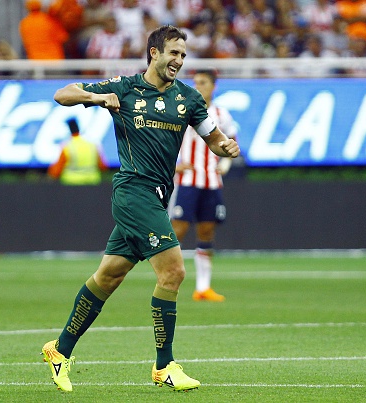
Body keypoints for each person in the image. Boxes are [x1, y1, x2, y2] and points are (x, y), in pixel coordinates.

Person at [41, 25, 240, 393]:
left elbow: (213, 137)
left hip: (159, 196)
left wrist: (224, 146)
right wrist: (97, 99)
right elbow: (62, 94)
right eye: (173, 53)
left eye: (183, 55)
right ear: (154, 53)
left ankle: (59, 350)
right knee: (174, 272)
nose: (179, 60)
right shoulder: (124, 87)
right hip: (134, 192)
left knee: (109, 276)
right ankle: (164, 365)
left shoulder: (190, 99)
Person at [170, 69, 238, 302]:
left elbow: (232, 139)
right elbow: (166, 139)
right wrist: (173, 165)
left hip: (211, 180)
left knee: (207, 232)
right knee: (176, 230)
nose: (198, 86)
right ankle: (168, 279)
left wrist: (227, 163)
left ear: (213, 86)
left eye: (203, 82)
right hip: (188, 180)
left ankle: (203, 287)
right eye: (195, 82)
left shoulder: (221, 114)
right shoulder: (182, 109)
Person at [47, 118, 108, 185]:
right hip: (92, 183)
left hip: (72, 184)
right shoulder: (93, 145)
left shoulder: (67, 147)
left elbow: (56, 171)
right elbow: (103, 166)